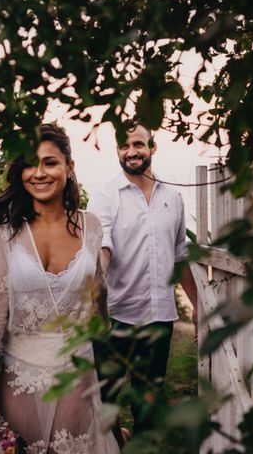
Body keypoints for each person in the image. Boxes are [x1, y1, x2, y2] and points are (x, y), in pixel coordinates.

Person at [0, 124, 119, 454]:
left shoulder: (91, 226)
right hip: (20, 375)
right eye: (30, 165)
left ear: (69, 167)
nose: (39, 173)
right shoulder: (0, 235)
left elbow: (96, 298)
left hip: (77, 376)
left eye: (50, 162)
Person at [88, 120, 198, 440]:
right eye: (124, 146)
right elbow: (102, 249)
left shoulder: (173, 199)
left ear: (152, 147)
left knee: (148, 406)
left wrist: (196, 305)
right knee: (104, 402)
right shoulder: (105, 197)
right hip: (114, 317)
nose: (131, 151)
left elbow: (180, 256)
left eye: (138, 144)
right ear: (118, 151)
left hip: (159, 318)